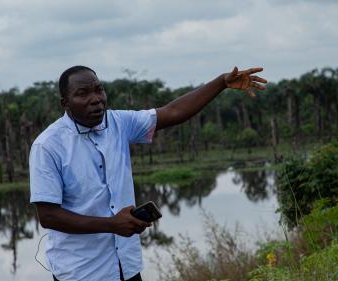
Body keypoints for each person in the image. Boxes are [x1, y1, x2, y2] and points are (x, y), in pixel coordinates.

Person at [29, 65, 267, 281]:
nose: (96, 100)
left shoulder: (118, 123)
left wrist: (222, 82)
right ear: (65, 103)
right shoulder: (48, 146)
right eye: (83, 93)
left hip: (127, 265)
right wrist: (112, 224)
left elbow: (173, 112)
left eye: (99, 90)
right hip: (81, 271)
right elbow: (49, 216)